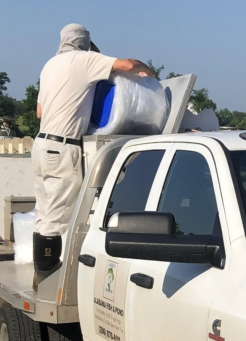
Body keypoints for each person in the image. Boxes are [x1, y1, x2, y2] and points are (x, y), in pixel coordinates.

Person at [32, 23, 158, 289]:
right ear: (86, 43)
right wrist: (149, 73)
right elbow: (125, 65)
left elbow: (40, 113)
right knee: (59, 216)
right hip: (63, 146)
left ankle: (40, 270)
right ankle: (46, 278)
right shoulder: (85, 60)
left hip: (41, 145)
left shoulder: (49, 66)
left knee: (44, 212)